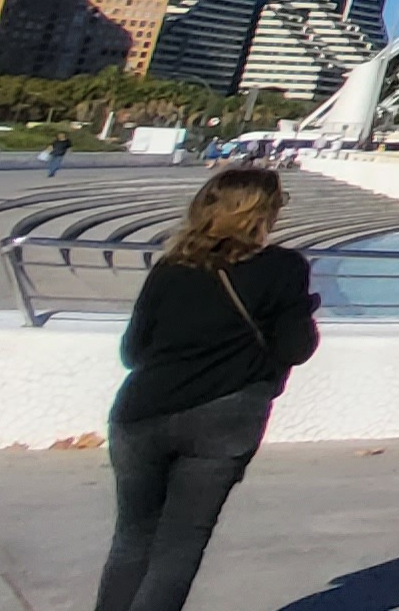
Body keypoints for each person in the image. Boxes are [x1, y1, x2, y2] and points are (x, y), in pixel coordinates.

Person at [101, 167, 320, 611]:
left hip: (142, 412)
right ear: (263, 213)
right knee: (179, 546)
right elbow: (295, 349)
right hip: (226, 418)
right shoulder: (284, 268)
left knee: (132, 539)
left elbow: (133, 351)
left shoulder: (172, 267)